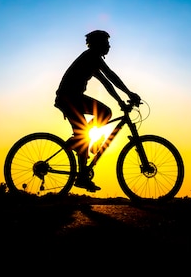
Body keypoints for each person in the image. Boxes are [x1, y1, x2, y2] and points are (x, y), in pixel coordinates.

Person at [54, 29, 141, 192]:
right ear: (98, 44)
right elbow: (111, 76)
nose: (109, 46)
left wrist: (121, 101)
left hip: (72, 98)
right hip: (68, 98)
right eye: (106, 43)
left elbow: (107, 83)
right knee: (98, 119)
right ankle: (82, 164)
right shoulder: (92, 56)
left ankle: (82, 169)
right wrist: (129, 93)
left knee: (95, 122)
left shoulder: (92, 60)